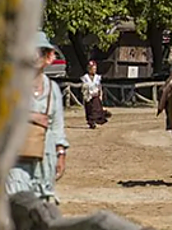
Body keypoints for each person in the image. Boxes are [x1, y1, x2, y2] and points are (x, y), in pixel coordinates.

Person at [7, 32, 68, 203]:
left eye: (40, 51)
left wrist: (61, 153)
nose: (35, 56)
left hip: (45, 160)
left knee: (42, 208)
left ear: (48, 57)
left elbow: (58, 127)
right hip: (15, 159)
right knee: (17, 205)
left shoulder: (53, 89)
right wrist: (32, 116)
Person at [81, 60, 109, 129]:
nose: (94, 70)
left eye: (95, 69)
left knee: (97, 109)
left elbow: (99, 86)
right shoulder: (85, 78)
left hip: (95, 96)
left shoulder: (97, 77)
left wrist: (100, 94)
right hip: (89, 96)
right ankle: (91, 122)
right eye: (93, 69)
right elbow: (83, 87)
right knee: (89, 110)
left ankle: (98, 119)